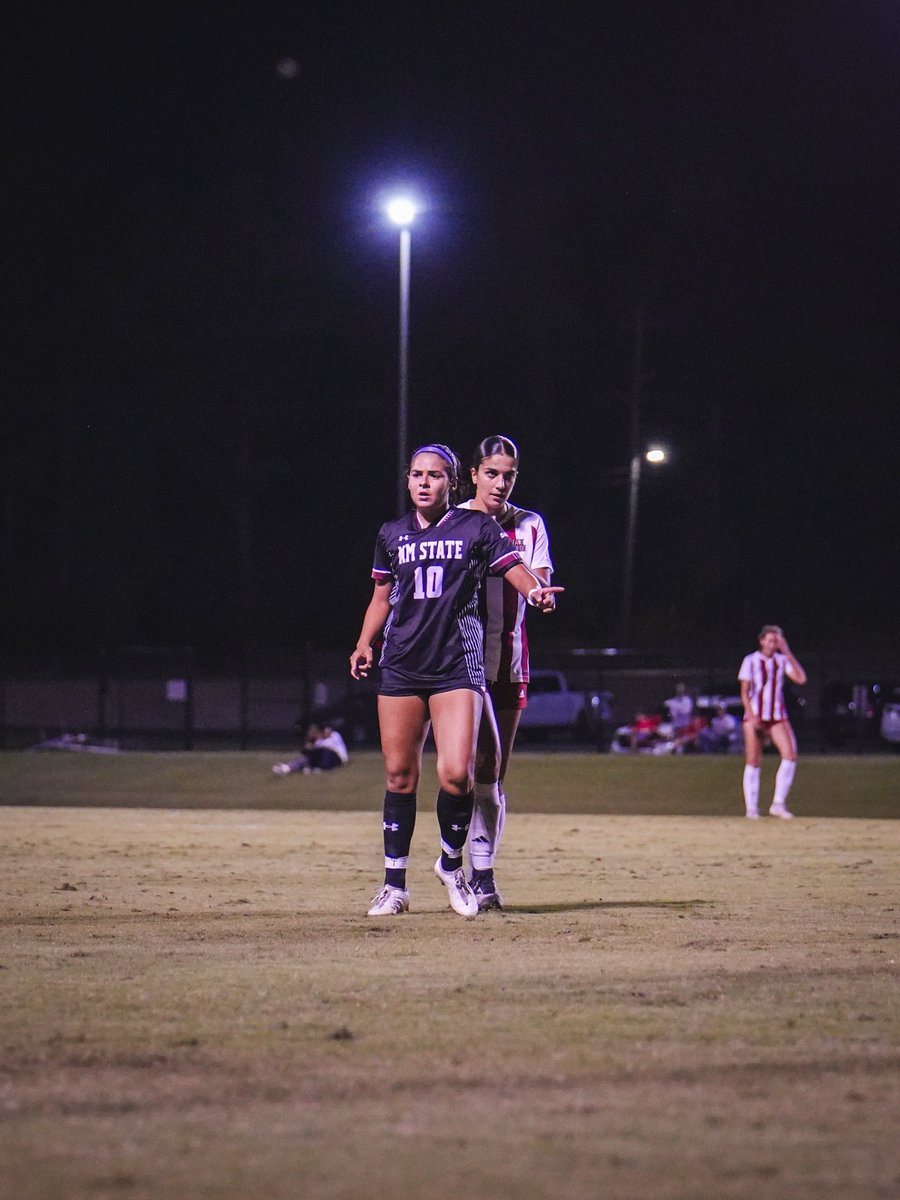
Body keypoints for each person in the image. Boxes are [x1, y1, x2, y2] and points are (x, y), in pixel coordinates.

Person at [350, 444, 562, 918]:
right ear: (408, 481)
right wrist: (365, 642)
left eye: (435, 475)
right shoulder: (392, 533)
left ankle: (452, 866)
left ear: (452, 482)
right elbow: (382, 595)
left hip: (456, 666)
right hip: (402, 664)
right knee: (399, 777)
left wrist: (538, 593)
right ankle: (394, 886)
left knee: (457, 774)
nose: (425, 482)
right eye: (417, 475)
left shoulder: (478, 527)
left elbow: (512, 569)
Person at [457, 434, 554, 911]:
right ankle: (458, 867)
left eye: (508, 474)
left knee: (492, 774)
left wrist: (541, 593)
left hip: (511, 664)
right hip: (459, 664)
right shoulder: (454, 522)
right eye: (491, 473)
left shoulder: (529, 524)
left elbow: (537, 576)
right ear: (473, 474)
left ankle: (483, 874)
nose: (500, 482)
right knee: (463, 772)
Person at [738, 625, 807, 819]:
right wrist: (752, 716)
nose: (773, 644)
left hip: (777, 716)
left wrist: (787, 651)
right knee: (753, 760)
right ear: (761, 641)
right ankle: (751, 808)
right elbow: (744, 692)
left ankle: (778, 803)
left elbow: (801, 679)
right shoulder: (750, 661)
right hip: (755, 716)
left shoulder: (781, 660)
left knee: (790, 755)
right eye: (770, 640)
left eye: (776, 641)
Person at [272, 722, 349, 775]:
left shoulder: (335, 735)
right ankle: (287, 768)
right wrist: (308, 742)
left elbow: (327, 747)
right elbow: (308, 752)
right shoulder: (318, 741)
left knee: (325, 752)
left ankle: (315, 768)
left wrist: (313, 746)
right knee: (308, 757)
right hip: (325, 760)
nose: (327, 732)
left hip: (338, 760)